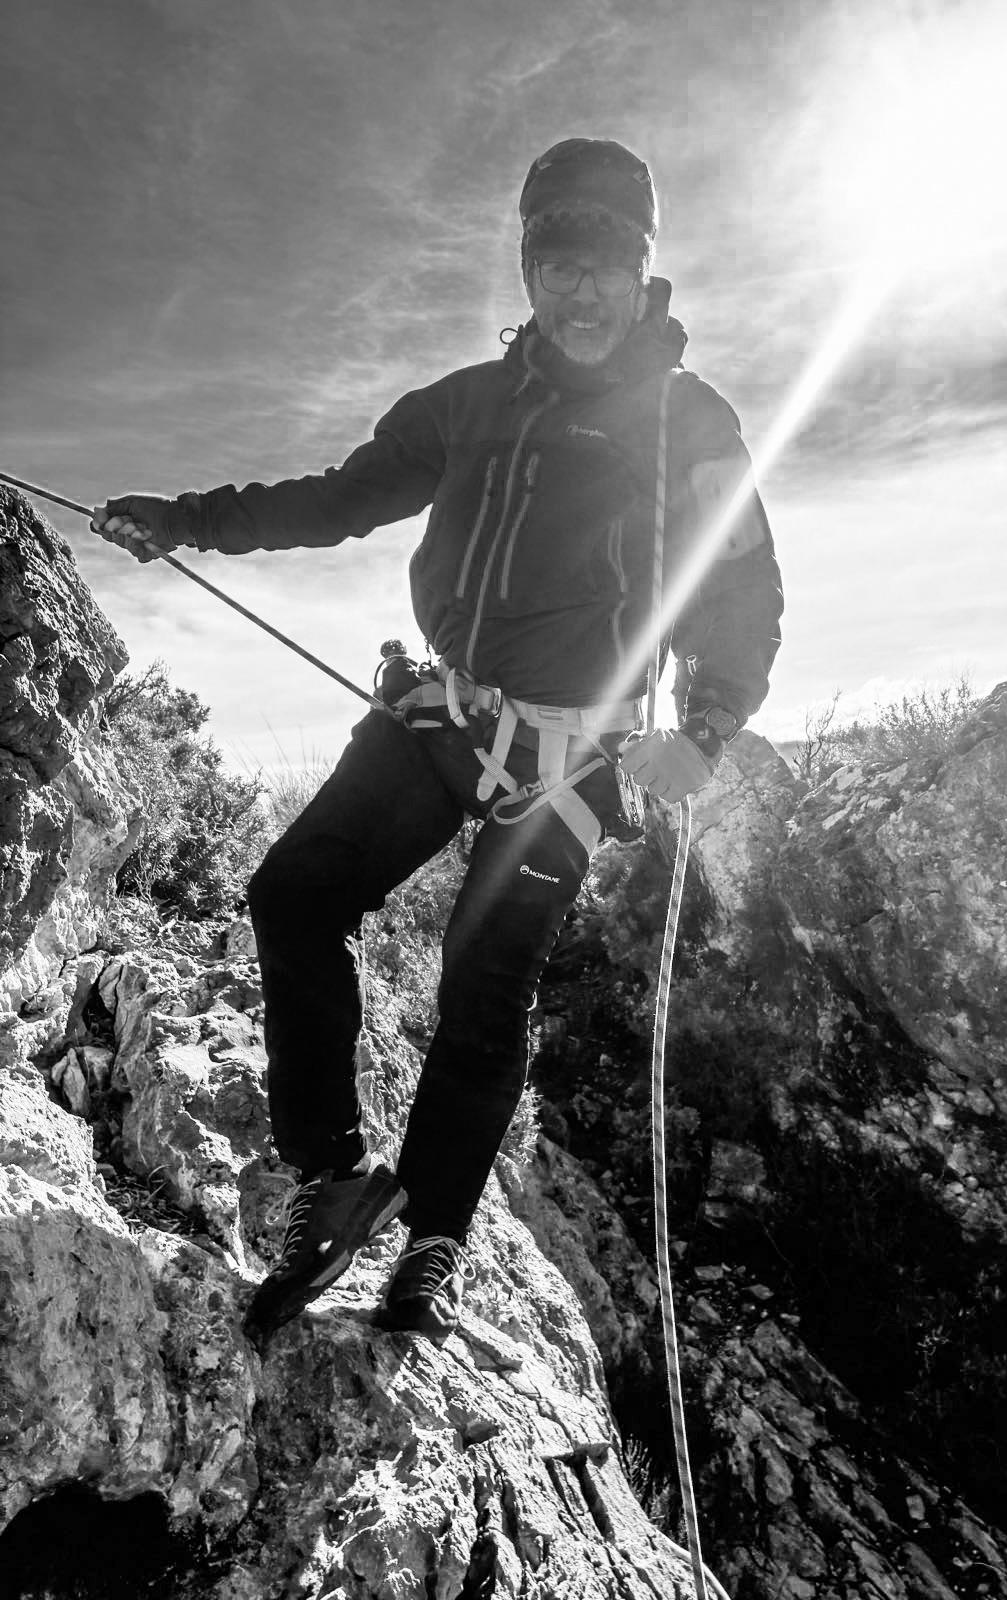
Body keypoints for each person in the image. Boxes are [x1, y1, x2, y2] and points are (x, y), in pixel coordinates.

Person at [92, 137, 784, 1351]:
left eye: (604, 263)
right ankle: (332, 1173)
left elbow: (747, 590)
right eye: (555, 262)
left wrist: (710, 727)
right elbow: (334, 497)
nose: (580, 291)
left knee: (482, 988)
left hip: (577, 760)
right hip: (443, 714)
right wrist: (185, 522)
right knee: (295, 894)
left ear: (643, 270)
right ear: (526, 269)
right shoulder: (465, 405)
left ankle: (436, 1240)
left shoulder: (687, 422)